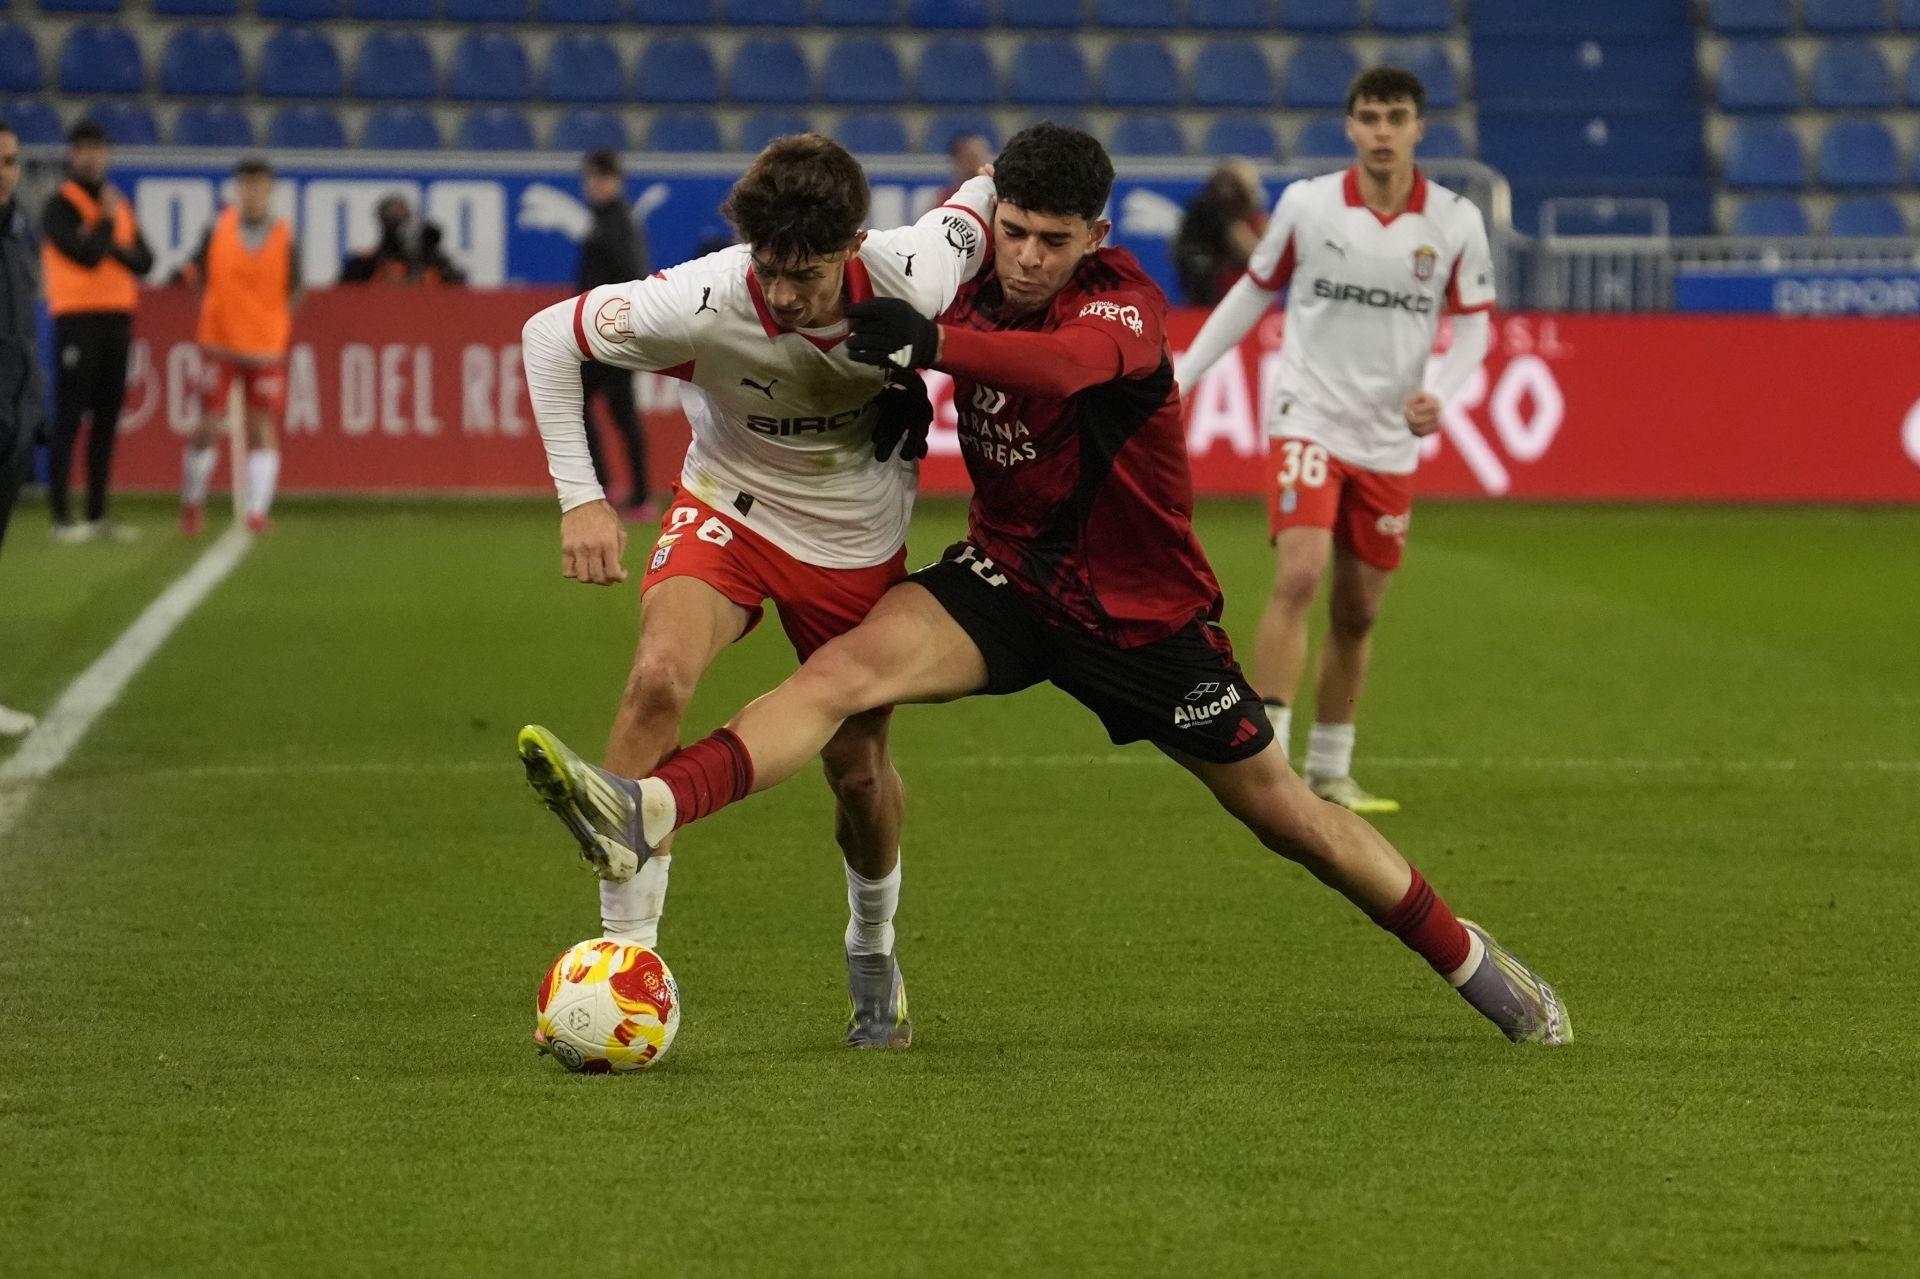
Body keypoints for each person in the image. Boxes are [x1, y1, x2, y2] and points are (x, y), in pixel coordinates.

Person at [515, 123, 1568, 1049]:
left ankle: (1473, 961)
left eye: (1054, 240)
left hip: (1143, 622)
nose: (1027, 257)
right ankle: (650, 803)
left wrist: (926, 350)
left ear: (1096, 237)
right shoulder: (953, 272)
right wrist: (902, 383)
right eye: (1015, 230)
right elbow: (932, 262)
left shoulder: (1123, 313)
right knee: (839, 679)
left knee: (1290, 818)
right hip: (1006, 583)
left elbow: (1057, 370)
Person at [518, 133, 995, 1048]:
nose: (780, 294)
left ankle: (871, 944)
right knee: (657, 676)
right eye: (770, 270)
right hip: (728, 510)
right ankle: (627, 958)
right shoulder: (705, 297)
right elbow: (550, 336)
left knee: (856, 772)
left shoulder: (917, 269)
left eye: (804, 275)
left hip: (854, 543)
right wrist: (581, 498)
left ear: (854, 246)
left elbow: (986, 199)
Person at [1174, 67, 1494, 815]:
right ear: (1350, 127)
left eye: (1397, 117)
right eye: (1370, 117)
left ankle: (1331, 767)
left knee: (1358, 611)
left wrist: (1439, 394)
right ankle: (1268, 755)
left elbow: (1476, 320)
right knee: (1301, 574)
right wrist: (1188, 370)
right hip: (1306, 415)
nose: (1382, 131)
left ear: (1420, 128)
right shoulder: (1309, 205)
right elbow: (1256, 288)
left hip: (1387, 438)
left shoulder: (1453, 222)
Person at [177, 157, 300, 537]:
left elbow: (296, 287)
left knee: (262, 424)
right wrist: (214, 312)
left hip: (265, 344)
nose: (252, 193)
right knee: (209, 424)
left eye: (259, 185)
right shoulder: (217, 229)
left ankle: (258, 509)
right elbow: (196, 274)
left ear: (270, 190)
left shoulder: (284, 235)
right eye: (246, 185)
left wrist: (275, 321)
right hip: (221, 341)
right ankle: (193, 500)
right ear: (236, 190)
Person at [41, 120, 152, 543]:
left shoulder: (117, 204)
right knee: (69, 417)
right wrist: (107, 230)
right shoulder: (61, 205)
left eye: (97, 149)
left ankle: (97, 513)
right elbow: (84, 256)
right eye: (82, 149)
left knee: (107, 418)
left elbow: (145, 260)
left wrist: (111, 244)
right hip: (76, 317)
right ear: (73, 155)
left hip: (117, 317)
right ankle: (61, 518)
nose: (90, 156)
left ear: (106, 154)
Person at [575, 149, 654, 522]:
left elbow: (631, 274)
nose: (592, 186)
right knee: (617, 411)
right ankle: (629, 491)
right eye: (589, 179)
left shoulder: (616, 223)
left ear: (613, 181)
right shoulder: (607, 220)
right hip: (606, 330)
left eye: (598, 179)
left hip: (611, 331)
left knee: (598, 405)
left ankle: (623, 489)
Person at [0, 120, 44, 738]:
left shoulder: (19, 236)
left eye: (10, 160)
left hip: (11, 420)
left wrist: (33, 411)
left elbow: (24, 336)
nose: (4, 171)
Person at [1170, 160, 1266, 305]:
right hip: (1218, 293)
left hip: (1252, 296)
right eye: (1223, 184)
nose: (1227, 192)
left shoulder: (1259, 221)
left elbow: (1258, 258)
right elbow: (1180, 250)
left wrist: (1233, 227)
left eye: (1236, 186)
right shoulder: (1203, 213)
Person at [339, 194, 465, 285]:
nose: (400, 221)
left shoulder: (435, 263)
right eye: (393, 218)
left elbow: (458, 293)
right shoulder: (364, 263)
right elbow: (344, 297)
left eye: (404, 216)